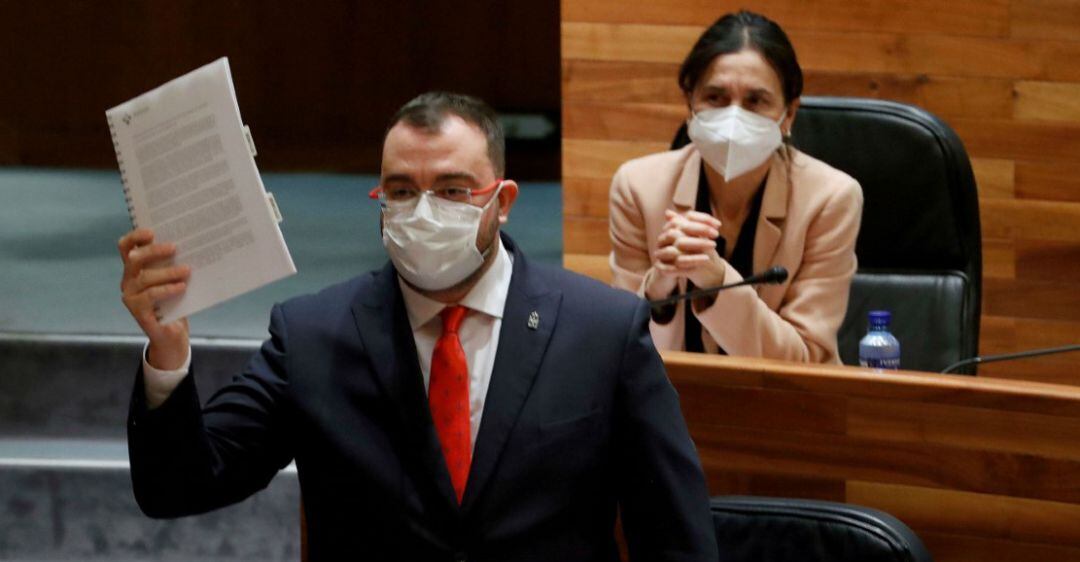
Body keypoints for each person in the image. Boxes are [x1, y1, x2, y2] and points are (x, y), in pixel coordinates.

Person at [119, 92, 717, 561]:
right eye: (402, 191)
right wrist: (167, 352)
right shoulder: (313, 335)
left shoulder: (603, 332)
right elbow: (179, 486)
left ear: (502, 200)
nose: (424, 210)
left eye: (452, 190)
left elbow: (674, 534)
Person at [608, 11, 863, 363]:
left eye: (756, 101)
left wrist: (716, 281)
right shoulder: (637, 188)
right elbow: (620, 353)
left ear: (788, 114)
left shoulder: (831, 198)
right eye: (715, 97)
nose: (733, 116)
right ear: (690, 104)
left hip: (784, 407)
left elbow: (806, 360)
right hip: (673, 400)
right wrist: (658, 291)